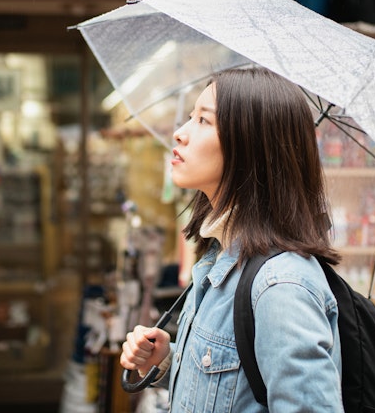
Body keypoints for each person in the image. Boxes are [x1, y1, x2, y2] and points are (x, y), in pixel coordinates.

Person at [120, 66, 344, 412]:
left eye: (203, 121)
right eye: (190, 117)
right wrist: (167, 359)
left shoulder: (281, 286)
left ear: (250, 145)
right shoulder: (221, 255)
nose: (180, 133)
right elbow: (236, 385)